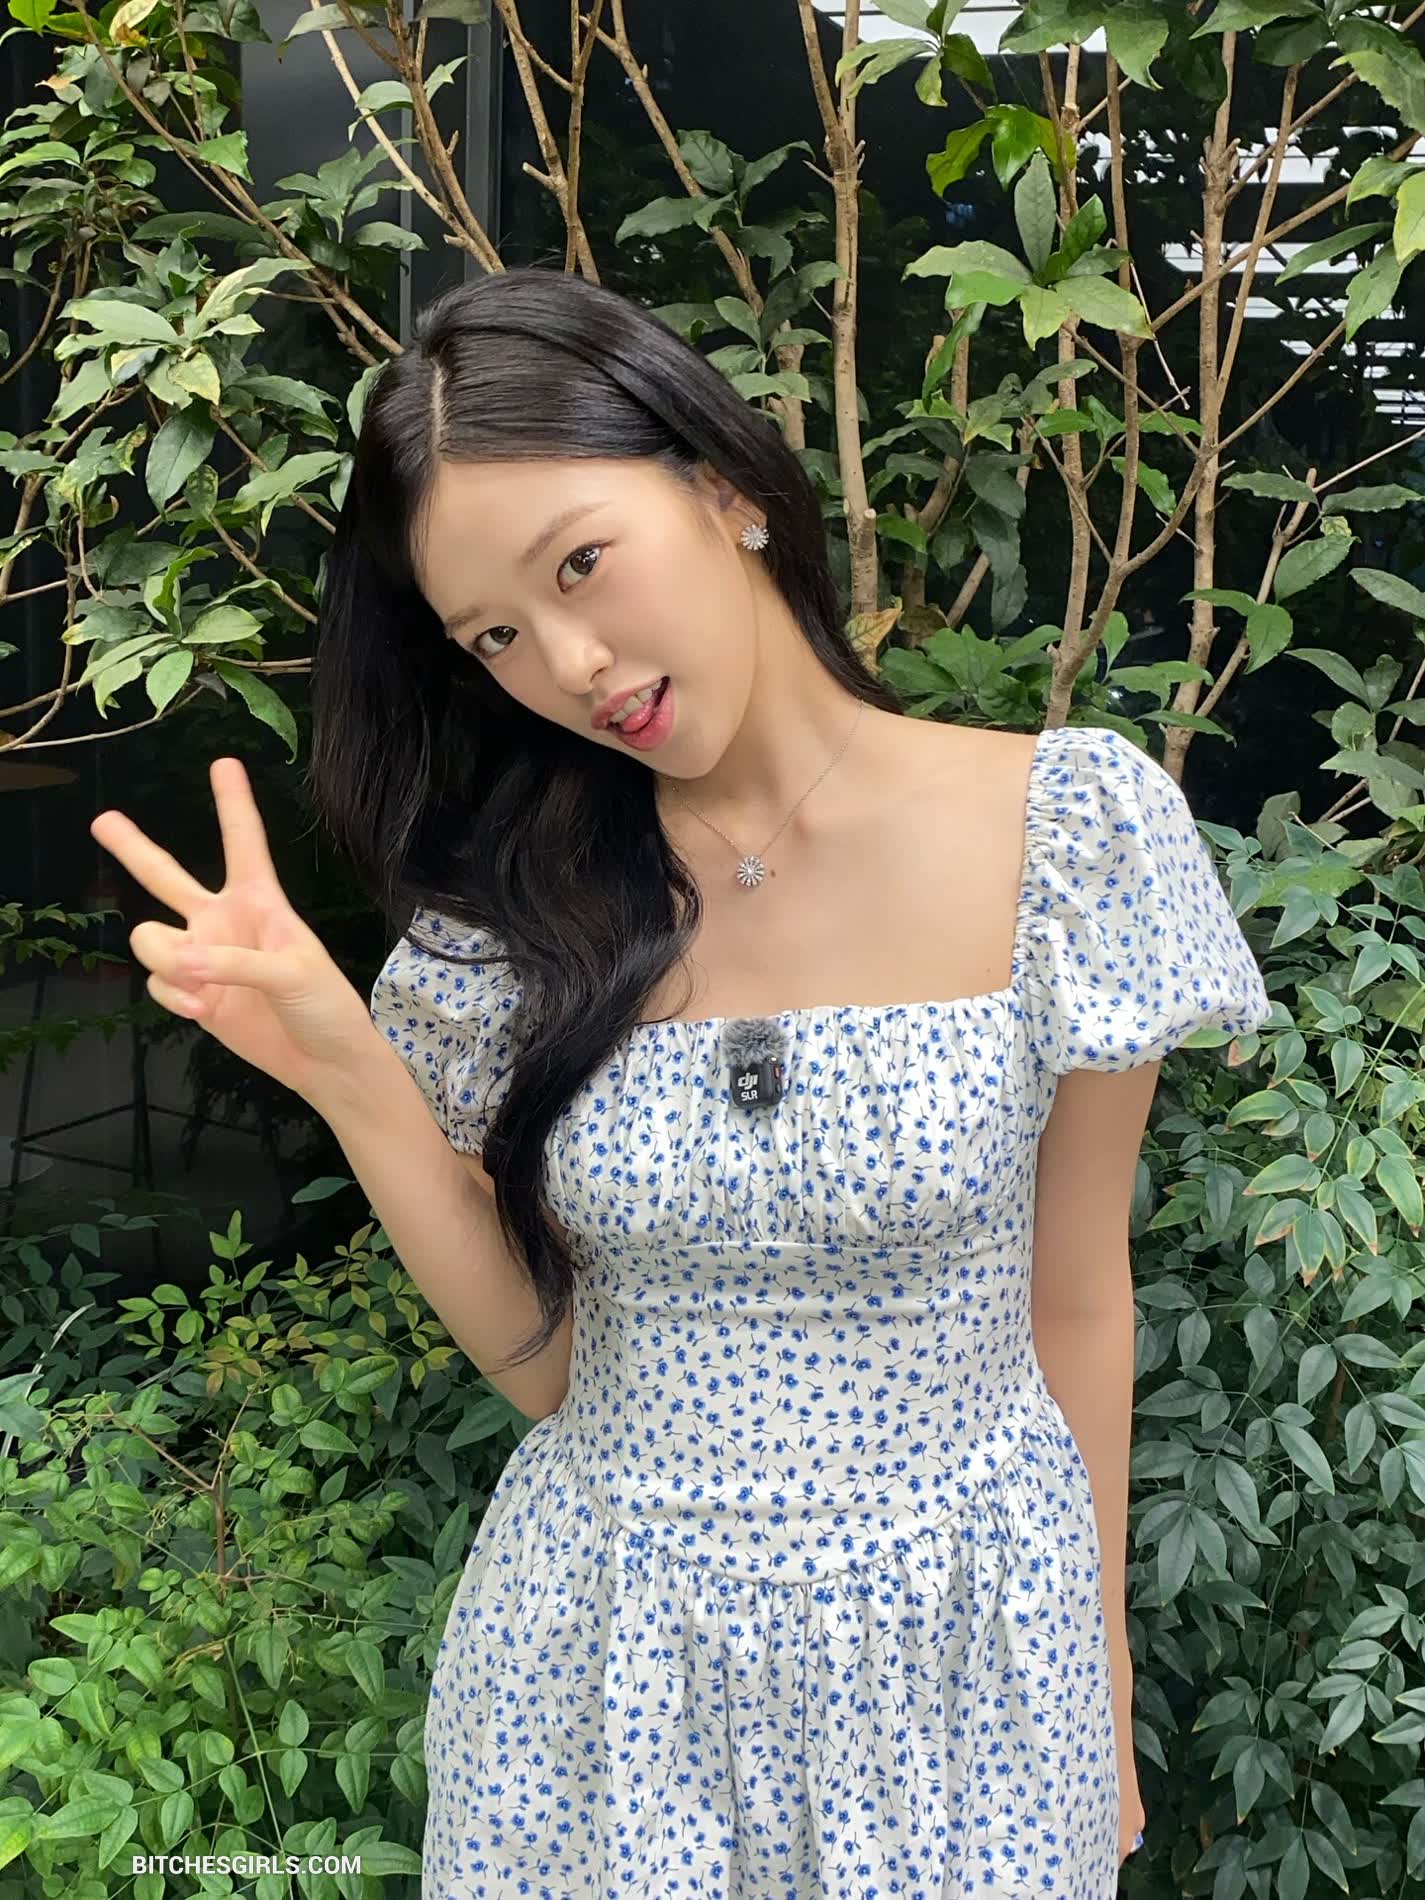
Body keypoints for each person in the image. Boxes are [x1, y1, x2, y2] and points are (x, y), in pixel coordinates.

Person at [92, 267, 1271, 1897]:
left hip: (960, 1670)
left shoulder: (1065, 833)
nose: (570, 661)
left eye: (579, 562)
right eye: (495, 635)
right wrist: (348, 1071)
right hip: (605, 1675)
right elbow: (554, 1379)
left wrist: (1098, 1662)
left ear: (725, 488)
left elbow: (1074, 1300)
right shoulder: (511, 922)